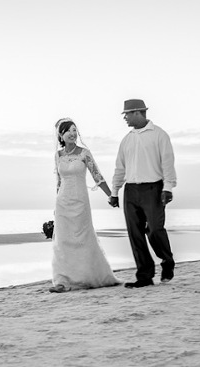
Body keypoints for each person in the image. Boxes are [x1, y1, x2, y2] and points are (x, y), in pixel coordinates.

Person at [110, 99, 177, 288]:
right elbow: (120, 168)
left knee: (155, 229)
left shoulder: (159, 135)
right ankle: (145, 276)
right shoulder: (126, 140)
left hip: (153, 189)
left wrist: (168, 188)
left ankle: (167, 261)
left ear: (138, 112)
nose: (125, 117)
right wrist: (115, 191)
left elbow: (167, 162)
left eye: (127, 114)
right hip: (131, 191)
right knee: (135, 234)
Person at [50, 118, 121, 293]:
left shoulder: (84, 153)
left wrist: (111, 195)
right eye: (68, 131)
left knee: (83, 238)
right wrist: (55, 205)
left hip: (80, 200)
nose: (73, 134)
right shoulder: (58, 155)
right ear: (61, 135)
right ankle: (62, 280)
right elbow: (58, 182)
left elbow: (97, 176)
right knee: (63, 240)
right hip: (62, 202)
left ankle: (88, 275)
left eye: (75, 130)